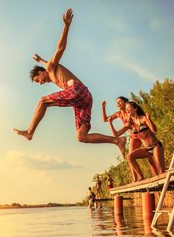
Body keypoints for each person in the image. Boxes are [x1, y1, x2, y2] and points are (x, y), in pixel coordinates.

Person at [13, 8, 126, 158]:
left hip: (77, 91)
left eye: (38, 80)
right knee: (82, 136)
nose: (41, 83)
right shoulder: (49, 68)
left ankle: (29, 132)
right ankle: (118, 140)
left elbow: (60, 48)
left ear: (41, 73)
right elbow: (46, 62)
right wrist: (39, 59)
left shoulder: (50, 68)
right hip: (84, 99)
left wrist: (66, 26)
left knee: (42, 101)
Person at [108, 102, 165, 182]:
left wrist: (149, 119)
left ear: (135, 109)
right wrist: (110, 124)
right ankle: (141, 177)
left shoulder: (143, 118)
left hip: (156, 146)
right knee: (130, 157)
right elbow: (116, 134)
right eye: (126, 108)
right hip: (147, 149)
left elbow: (154, 130)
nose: (127, 110)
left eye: (129, 108)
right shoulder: (130, 124)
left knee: (161, 173)